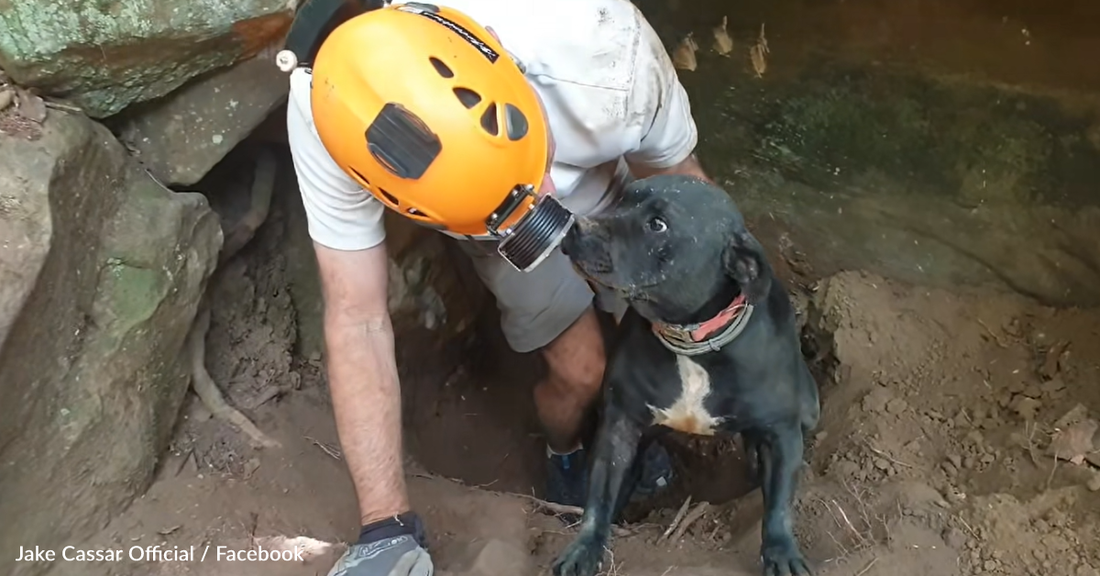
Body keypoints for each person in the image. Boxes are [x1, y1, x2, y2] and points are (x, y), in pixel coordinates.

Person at [282, 0, 714, 574]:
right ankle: (566, 454)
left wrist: (726, 314)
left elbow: (685, 195)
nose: (540, 200)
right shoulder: (331, 111)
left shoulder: (609, 54)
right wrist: (384, 529)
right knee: (581, 371)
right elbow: (356, 317)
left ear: (489, 45)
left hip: (605, 188)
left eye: (529, 165)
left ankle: (630, 428)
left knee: (647, 338)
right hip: (484, 225)